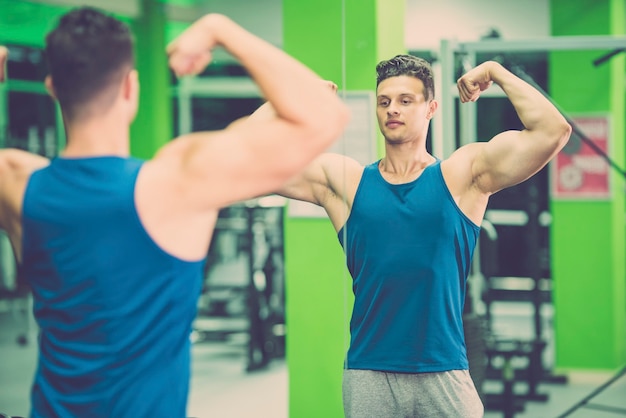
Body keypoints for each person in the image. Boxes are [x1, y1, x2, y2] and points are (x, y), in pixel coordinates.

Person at [0, 7, 349, 418]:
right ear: (130, 88)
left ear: (52, 88)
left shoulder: (16, 183)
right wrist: (219, 28)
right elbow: (326, 113)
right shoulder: (176, 183)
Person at [253, 55, 571, 416]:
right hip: (370, 374)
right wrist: (291, 96)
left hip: (445, 372)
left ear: (431, 108)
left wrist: (497, 72)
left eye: (406, 101)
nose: (393, 110)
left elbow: (553, 131)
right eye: (385, 101)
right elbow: (248, 159)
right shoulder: (347, 182)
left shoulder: (461, 176)